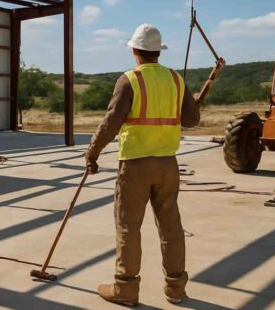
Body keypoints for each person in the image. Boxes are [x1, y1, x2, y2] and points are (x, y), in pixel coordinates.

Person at [85, 23, 200, 307]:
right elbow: (192, 120)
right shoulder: (175, 80)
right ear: (158, 52)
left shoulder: (129, 80)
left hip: (135, 165)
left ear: (135, 51)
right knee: (171, 226)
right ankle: (175, 288)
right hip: (167, 165)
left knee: (128, 227)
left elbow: (111, 122)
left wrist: (92, 153)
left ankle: (125, 289)